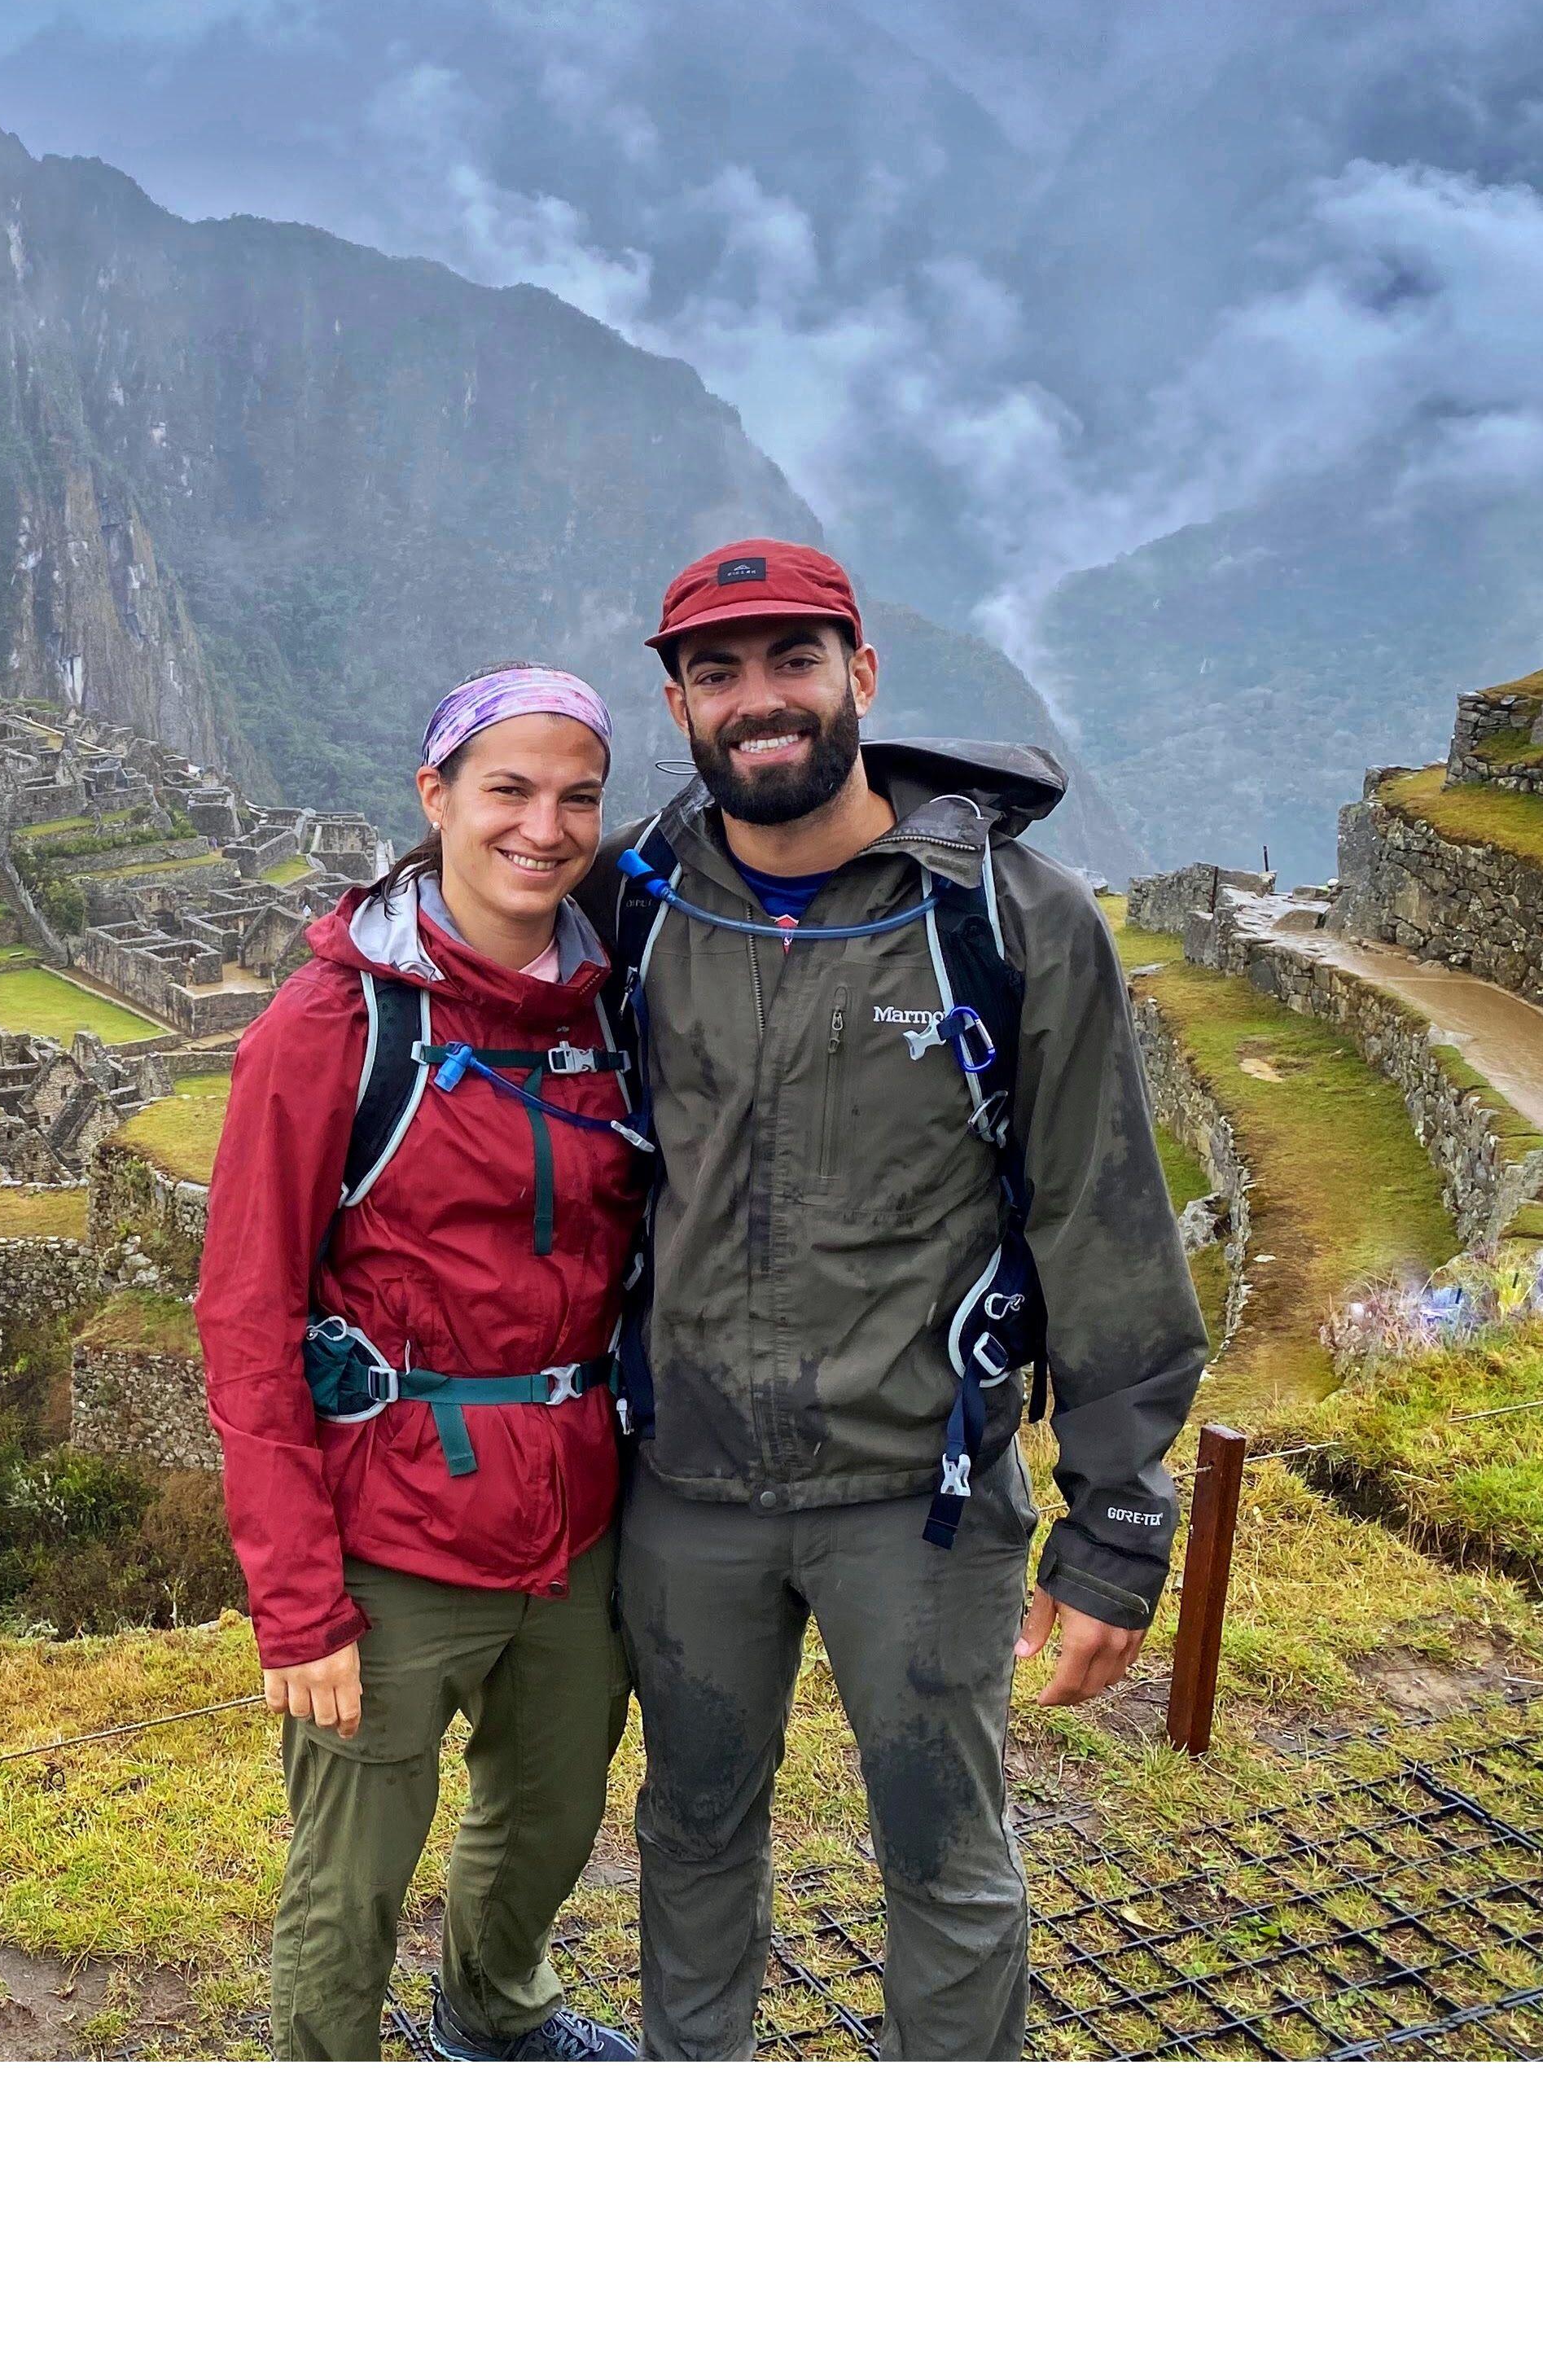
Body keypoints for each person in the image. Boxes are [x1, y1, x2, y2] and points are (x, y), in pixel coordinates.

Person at [592, 538, 1208, 2060]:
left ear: (860, 676)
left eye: (792, 662)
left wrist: (1117, 1522)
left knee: (945, 1862)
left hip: (919, 1503)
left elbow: (1101, 1214)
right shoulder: (637, 904)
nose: (760, 702)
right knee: (690, 1839)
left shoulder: (1011, 921)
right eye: (718, 674)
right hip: (687, 1490)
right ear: (678, 703)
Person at [199, 665, 651, 2061]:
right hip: (390, 1527)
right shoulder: (334, 1024)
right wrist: (296, 1602)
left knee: (555, 1810)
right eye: (508, 790)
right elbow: (247, 1315)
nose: (545, 827)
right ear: (436, 797)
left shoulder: (613, 1009)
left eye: (578, 797)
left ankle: (494, 2017)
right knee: (350, 1877)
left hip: (576, 1517)